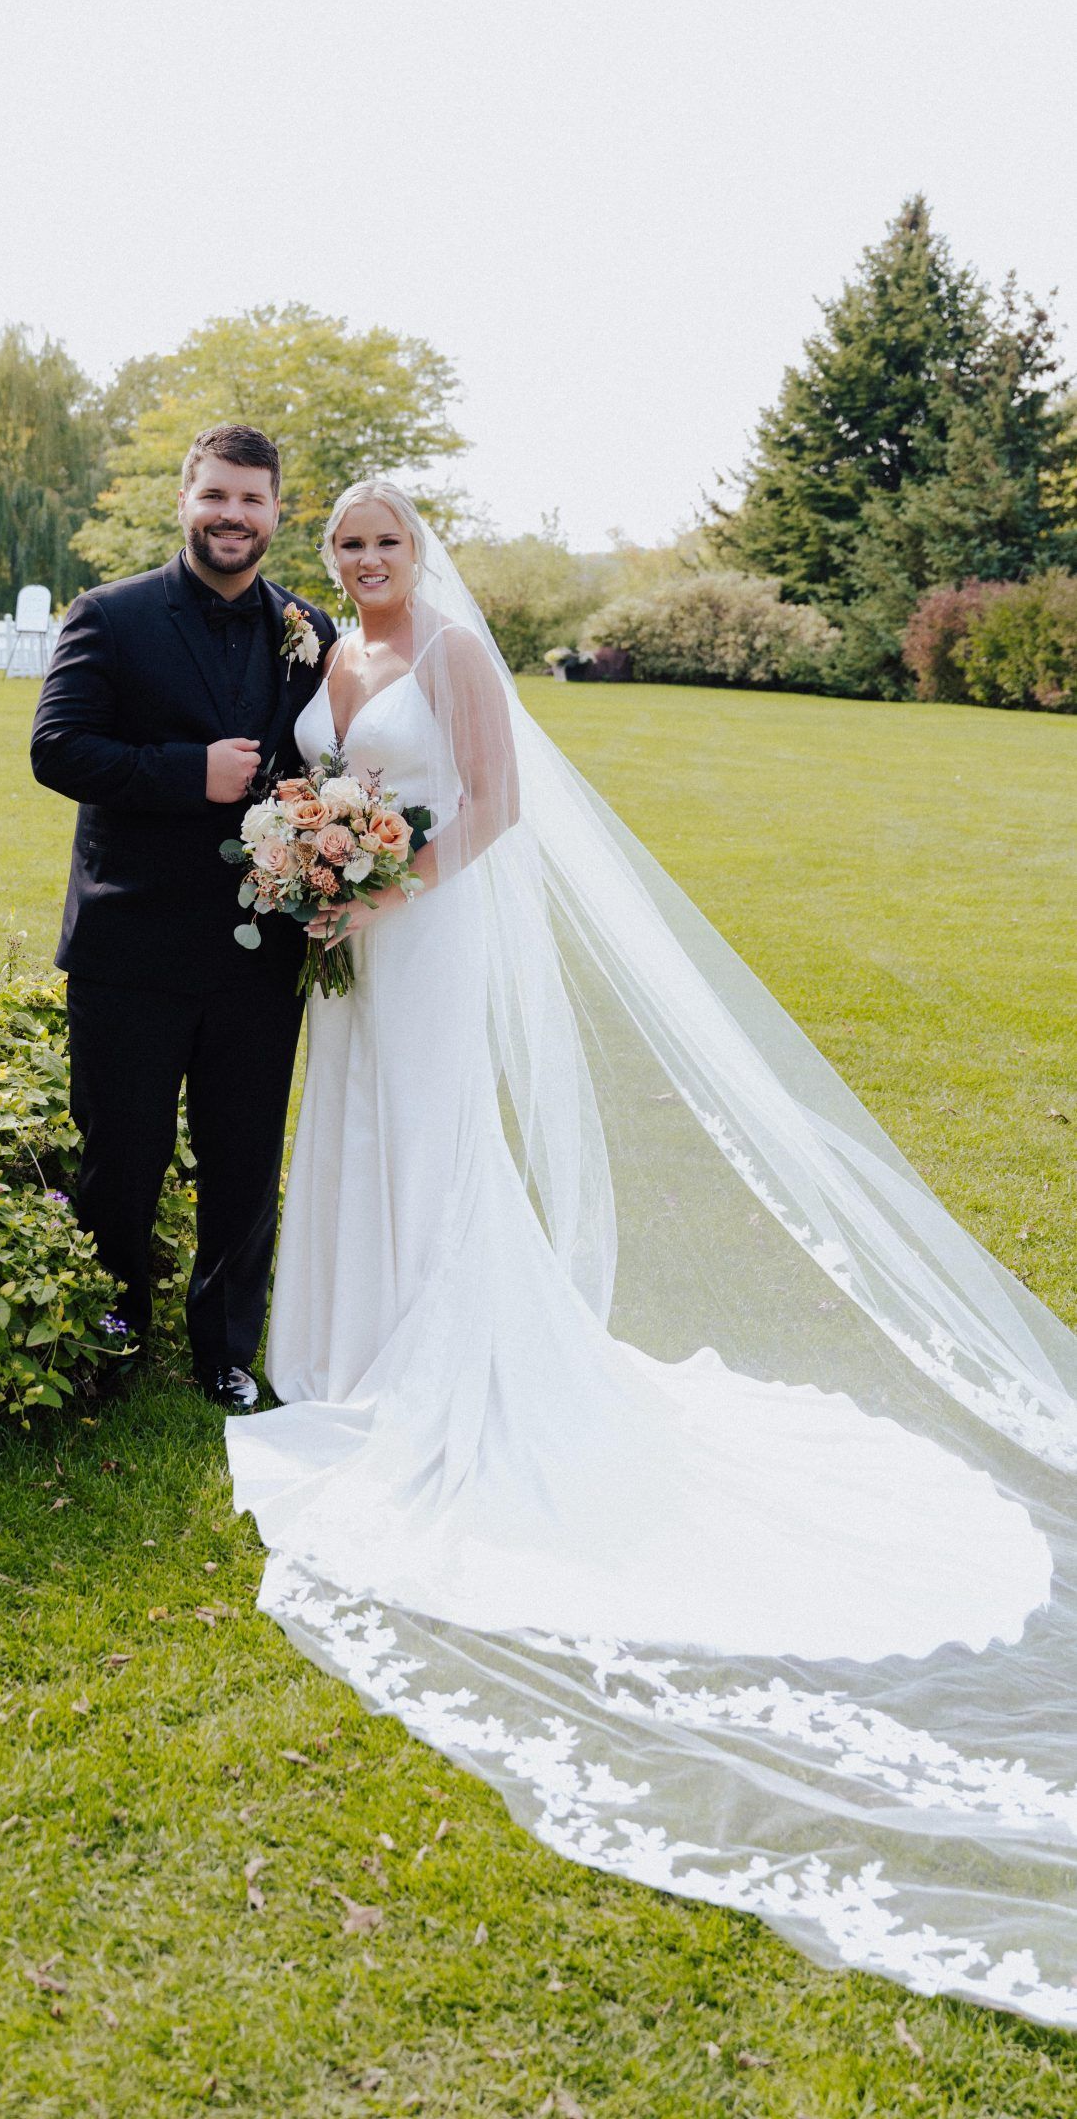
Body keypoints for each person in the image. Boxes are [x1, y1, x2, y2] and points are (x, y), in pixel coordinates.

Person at [227, 477, 1077, 2032]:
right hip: (342, 936)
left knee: (431, 1135)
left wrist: (379, 881)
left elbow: (493, 808)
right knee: (344, 1132)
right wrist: (310, 869)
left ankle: (440, 1351)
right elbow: (311, 788)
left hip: (421, 933)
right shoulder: (321, 661)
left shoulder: (456, 660)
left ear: (420, 553)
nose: (363, 562)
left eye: (384, 542)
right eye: (343, 544)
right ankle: (342, 1351)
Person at [30, 422, 334, 1407]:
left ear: (277, 511)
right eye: (216, 496)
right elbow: (58, 750)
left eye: (252, 499)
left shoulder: (309, 632)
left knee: (244, 1160)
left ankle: (227, 1348)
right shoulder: (108, 616)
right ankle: (106, 1343)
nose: (233, 516)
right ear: (186, 500)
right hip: (133, 944)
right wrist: (183, 774)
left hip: (261, 951)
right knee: (121, 1156)